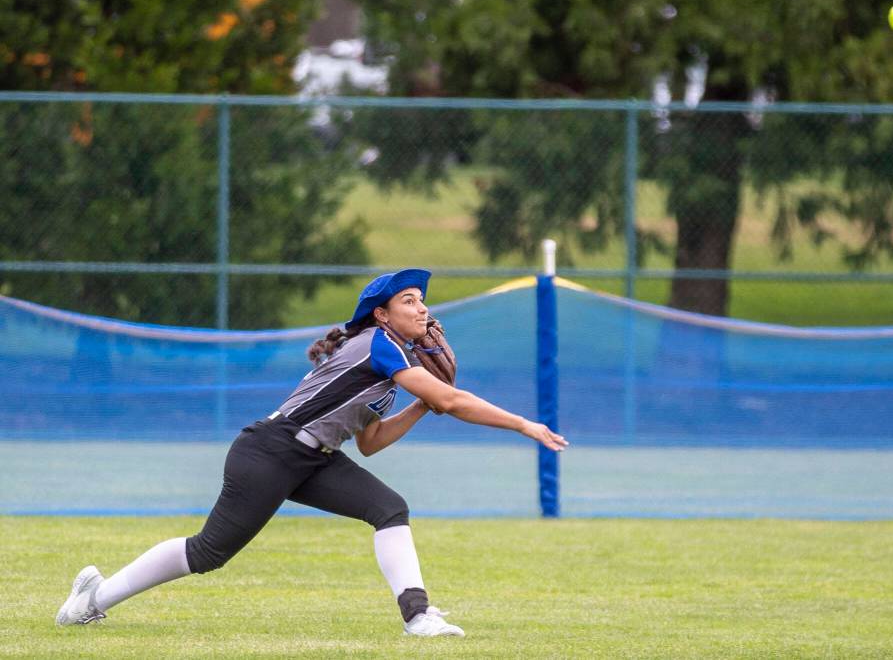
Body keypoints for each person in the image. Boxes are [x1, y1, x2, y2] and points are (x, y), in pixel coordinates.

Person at [56, 268, 568, 636]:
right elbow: (451, 399)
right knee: (208, 552)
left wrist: (417, 408)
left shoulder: (386, 366)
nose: (422, 308)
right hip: (270, 452)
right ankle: (92, 600)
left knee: (389, 509)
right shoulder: (376, 344)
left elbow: (369, 443)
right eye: (409, 300)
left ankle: (418, 616)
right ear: (381, 314)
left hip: (310, 457)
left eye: (421, 300)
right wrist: (524, 423)